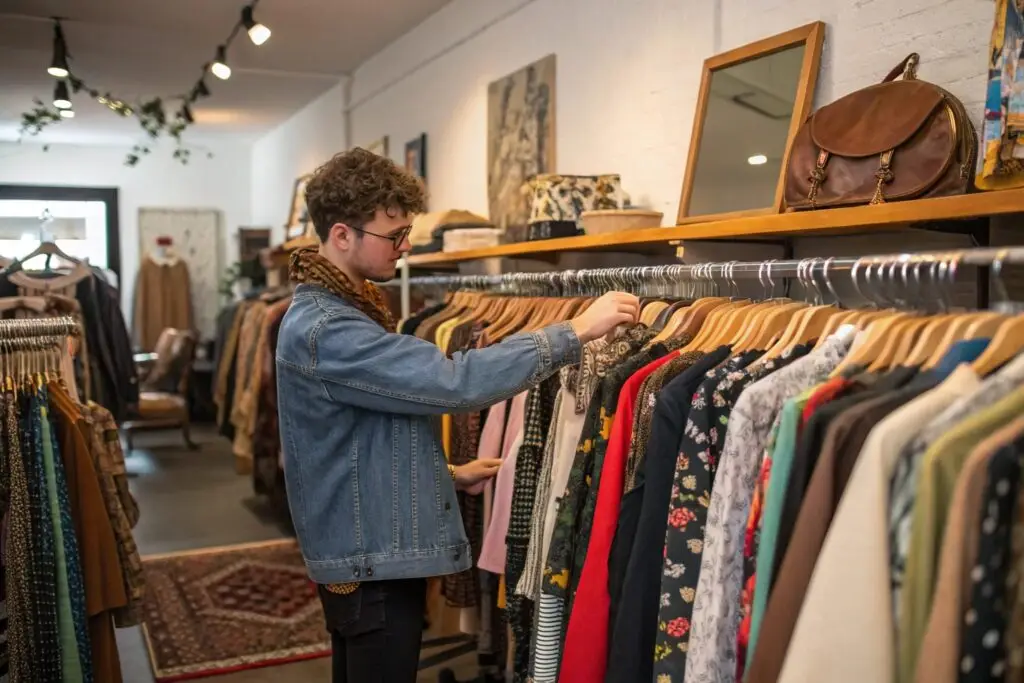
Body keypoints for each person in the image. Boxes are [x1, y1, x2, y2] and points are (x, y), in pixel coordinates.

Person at [275, 147, 640, 683]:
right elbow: (453, 381)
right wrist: (577, 330)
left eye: (407, 233)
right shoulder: (328, 328)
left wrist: (445, 475)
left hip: (367, 547)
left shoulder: (339, 314)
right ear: (342, 234)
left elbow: (350, 443)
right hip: (368, 559)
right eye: (393, 234)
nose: (405, 246)